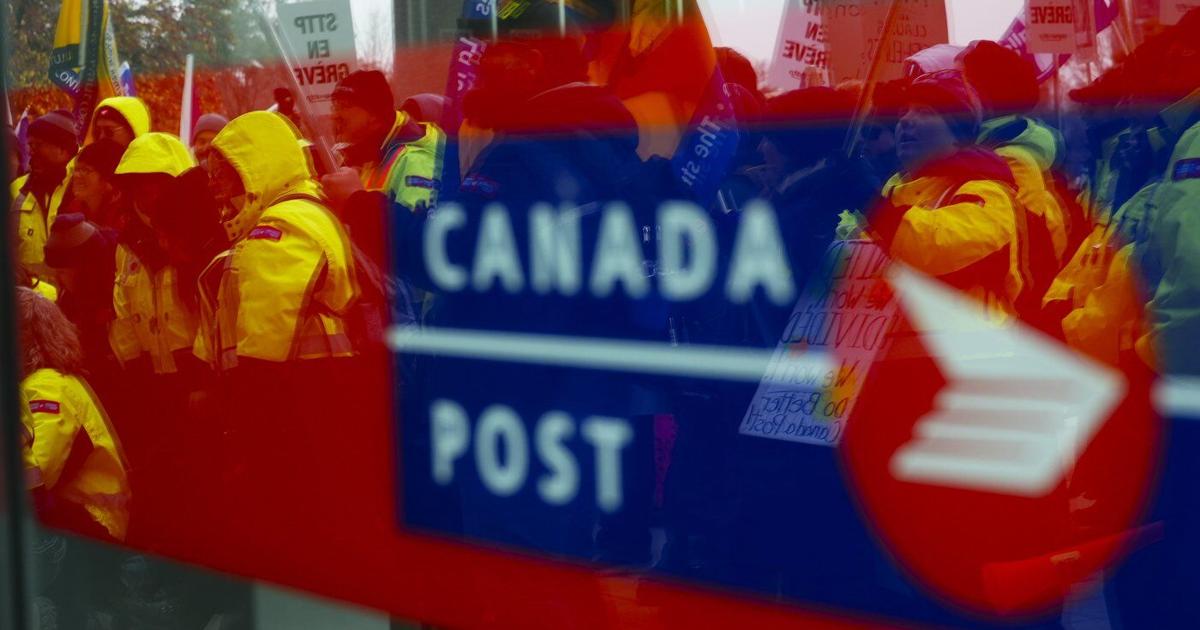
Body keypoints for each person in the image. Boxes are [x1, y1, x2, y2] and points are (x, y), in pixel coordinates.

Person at [197, 111, 361, 544]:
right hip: (319, 399)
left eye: (224, 174)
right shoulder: (304, 213)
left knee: (301, 527)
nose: (214, 187)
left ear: (257, 167)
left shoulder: (280, 225)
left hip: (298, 405)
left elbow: (264, 346)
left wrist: (245, 425)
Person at [866, 70, 1023, 320]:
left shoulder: (988, 191)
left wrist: (869, 203)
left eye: (925, 112)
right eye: (904, 112)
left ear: (958, 134)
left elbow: (936, 248)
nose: (906, 120)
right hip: (891, 341)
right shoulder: (892, 191)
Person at [17, 286, 131, 542]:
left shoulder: (47, 386)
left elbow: (37, 477)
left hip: (88, 523)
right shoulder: (52, 381)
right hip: (82, 521)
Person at [11, 110, 78, 280]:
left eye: (38, 145)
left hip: (71, 296)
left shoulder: (80, 189)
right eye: (30, 145)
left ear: (63, 149)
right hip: (28, 295)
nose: (31, 152)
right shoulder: (16, 189)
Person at [66, 138, 125, 228]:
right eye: (76, 169)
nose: (76, 175)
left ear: (106, 178)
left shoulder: (123, 215)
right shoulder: (74, 209)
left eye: (85, 170)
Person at [86, 96, 151, 148]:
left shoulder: (150, 160)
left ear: (132, 132)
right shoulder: (86, 159)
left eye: (109, 131)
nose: (101, 137)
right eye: (97, 132)